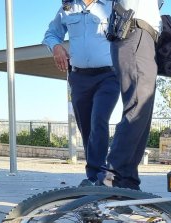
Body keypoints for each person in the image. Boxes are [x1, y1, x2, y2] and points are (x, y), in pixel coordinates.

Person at [43, 0, 120, 187]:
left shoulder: (113, 5)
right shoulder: (68, 7)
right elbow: (51, 33)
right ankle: (99, 176)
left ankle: (97, 177)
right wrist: (56, 47)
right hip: (79, 78)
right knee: (86, 127)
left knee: (98, 119)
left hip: (109, 75)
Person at [105, 0, 165, 190]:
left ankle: (127, 183)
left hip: (142, 36)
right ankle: (112, 180)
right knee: (138, 107)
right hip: (135, 31)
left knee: (142, 112)